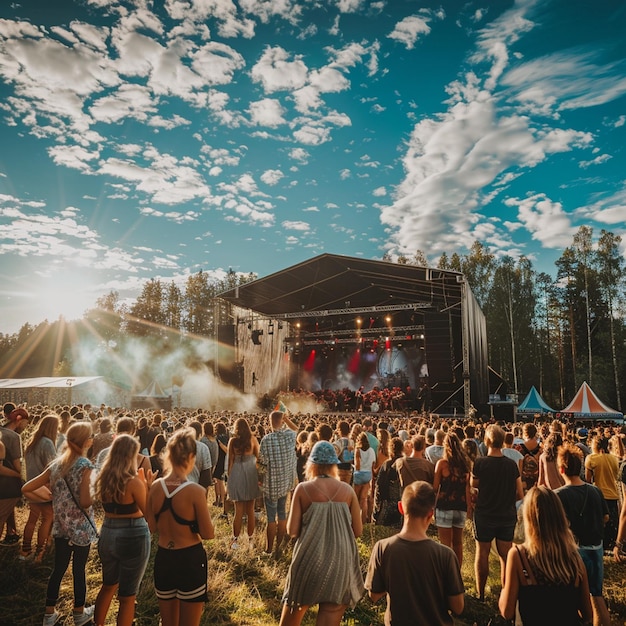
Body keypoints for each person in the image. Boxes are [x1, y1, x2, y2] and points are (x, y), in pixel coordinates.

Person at [280, 441, 364, 626]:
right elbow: (358, 531)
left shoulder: (303, 489)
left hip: (309, 558)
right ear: (334, 464)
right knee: (330, 613)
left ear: (311, 464)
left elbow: (292, 531)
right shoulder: (348, 491)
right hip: (340, 561)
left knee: (294, 610)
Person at [23, 421, 97, 626]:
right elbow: (85, 501)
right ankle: (79, 613)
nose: (93, 439)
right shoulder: (86, 466)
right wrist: (96, 492)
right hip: (81, 529)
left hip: (61, 527)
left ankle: (49, 614)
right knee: (79, 571)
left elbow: (27, 487)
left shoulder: (56, 465)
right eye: (91, 436)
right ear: (85, 441)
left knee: (58, 569)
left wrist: (47, 497)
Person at [365, 480, 464, 626]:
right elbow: (458, 607)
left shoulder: (383, 548)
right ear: (431, 514)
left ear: (401, 507)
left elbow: (373, 594)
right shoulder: (446, 555)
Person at [146, 428, 214, 626]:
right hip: (190, 559)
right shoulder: (195, 491)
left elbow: (150, 527)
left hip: (164, 558)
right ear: (192, 457)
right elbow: (208, 533)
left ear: (168, 455)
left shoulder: (156, 487)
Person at [498, 486, 593, 625]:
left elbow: (507, 611)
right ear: (559, 517)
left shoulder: (519, 556)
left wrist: (503, 591)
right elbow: (587, 615)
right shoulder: (574, 558)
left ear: (529, 518)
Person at [93, 435, 154, 626]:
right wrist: (149, 487)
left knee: (108, 585)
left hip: (108, 531)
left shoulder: (103, 478)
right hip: (132, 534)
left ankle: (98, 623)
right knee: (128, 596)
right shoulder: (133, 482)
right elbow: (149, 515)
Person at [556, 443, 611, 626]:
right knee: (597, 596)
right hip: (596, 548)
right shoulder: (595, 490)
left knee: (571, 598)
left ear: (561, 469)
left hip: (572, 552)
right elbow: (606, 517)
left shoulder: (558, 496)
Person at [471, 424, 524, 601]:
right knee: (506, 556)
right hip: (506, 515)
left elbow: (473, 484)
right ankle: (506, 593)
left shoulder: (480, 463)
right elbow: (520, 493)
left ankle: (480, 594)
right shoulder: (511, 465)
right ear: (502, 442)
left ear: (486, 441)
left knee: (482, 553)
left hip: (484, 513)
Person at [258, 410, 298, 553]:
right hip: (285, 483)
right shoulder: (289, 436)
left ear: (269, 422)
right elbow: (296, 429)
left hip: (271, 485)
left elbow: (262, 465)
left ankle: (269, 550)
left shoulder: (266, 440)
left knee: (270, 518)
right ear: (282, 421)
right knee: (282, 514)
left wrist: (260, 480)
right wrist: (286, 419)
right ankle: (279, 547)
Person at [21, 414, 59, 560]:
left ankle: (25, 551)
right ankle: (39, 553)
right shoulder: (47, 443)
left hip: (31, 486)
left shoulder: (32, 442)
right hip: (44, 487)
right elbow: (54, 467)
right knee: (47, 518)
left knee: (32, 518)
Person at [432, 432, 472, 567]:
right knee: (458, 543)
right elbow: (468, 488)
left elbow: (435, 487)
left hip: (444, 506)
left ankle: (445, 573)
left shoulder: (442, 464)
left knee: (445, 544)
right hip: (461, 506)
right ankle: (457, 573)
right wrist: (469, 508)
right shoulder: (466, 465)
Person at [227, 417, 261, 548]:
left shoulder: (232, 441)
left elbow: (230, 461)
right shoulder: (252, 440)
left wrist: (229, 479)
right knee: (250, 510)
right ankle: (251, 539)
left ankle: (235, 540)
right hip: (251, 472)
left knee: (238, 510)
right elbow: (258, 458)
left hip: (236, 472)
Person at [0, 406, 30, 545]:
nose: (26, 425)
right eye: (26, 422)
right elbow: (18, 465)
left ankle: (12, 533)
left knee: (7, 510)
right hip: (9, 484)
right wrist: (23, 476)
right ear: (19, 420)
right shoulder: (14, 437)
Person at [585, 435, 620, 552]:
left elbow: (588, 480)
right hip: (613, 494)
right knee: (611, 525)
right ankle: (610, 546)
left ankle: (600, 546)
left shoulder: (591, 458)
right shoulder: (614, 459)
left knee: (598, 524)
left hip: (598, 494)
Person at [372, 437, 403, 528]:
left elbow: (379, 484)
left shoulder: (387, 464)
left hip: (388, 500)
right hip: (402, 499)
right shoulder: (405, 463)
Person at [353, 432, 376, 524]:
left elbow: (357, 465)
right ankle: (363, 521)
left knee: (356, 500)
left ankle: (355, 520)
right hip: (368, 475)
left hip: (359, 474)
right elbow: (373, 464)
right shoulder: (371, 450)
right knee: (364, 499)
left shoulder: (358, 450)